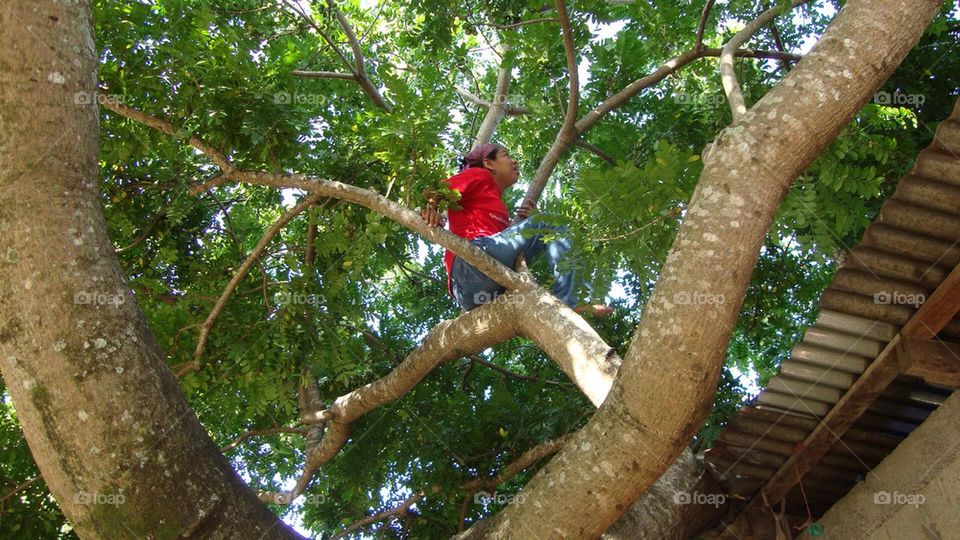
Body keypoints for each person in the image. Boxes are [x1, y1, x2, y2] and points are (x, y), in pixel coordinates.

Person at [421, 143, 612, 316]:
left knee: (543, 231)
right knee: (553, 223)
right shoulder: (480, 175)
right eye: (506, 155)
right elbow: (437, 190)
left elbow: (511, 243)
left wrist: (531, 223)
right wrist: (431, 210)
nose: (514, 160)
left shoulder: (498, 206)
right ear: (489, 163)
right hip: (470, 261)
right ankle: (572, 299)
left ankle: (561, 302)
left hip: (474, 296)